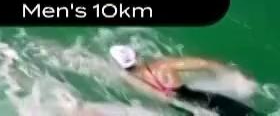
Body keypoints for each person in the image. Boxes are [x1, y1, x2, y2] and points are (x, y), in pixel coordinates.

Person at [110, 45, 258, 115]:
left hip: (187, 110)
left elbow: (161, 99)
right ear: (136, 55)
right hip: (205, 101)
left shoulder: (130, 80)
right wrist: (230, 74)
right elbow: (203, 63)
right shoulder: (162, 66)